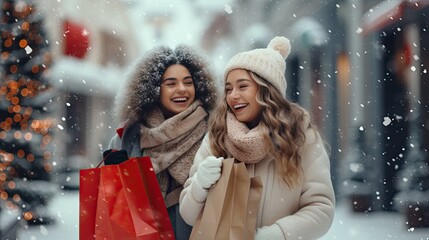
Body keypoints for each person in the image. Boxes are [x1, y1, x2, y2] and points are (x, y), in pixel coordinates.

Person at [179, 36, 335, 240]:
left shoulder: (301, 136)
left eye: (243, 86)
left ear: (266, 90)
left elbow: (321, 209)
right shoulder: (217, 137)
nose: (233, 95)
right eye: (228, 89)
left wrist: (277, 234)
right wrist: (200, 185)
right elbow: (188, 215)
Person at [108, 44, 218, 240]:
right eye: (171, 83)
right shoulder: (128, 137)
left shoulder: (214, 132)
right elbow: (113, 205)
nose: (182, 89)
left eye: (188, 82)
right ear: (153, 89)